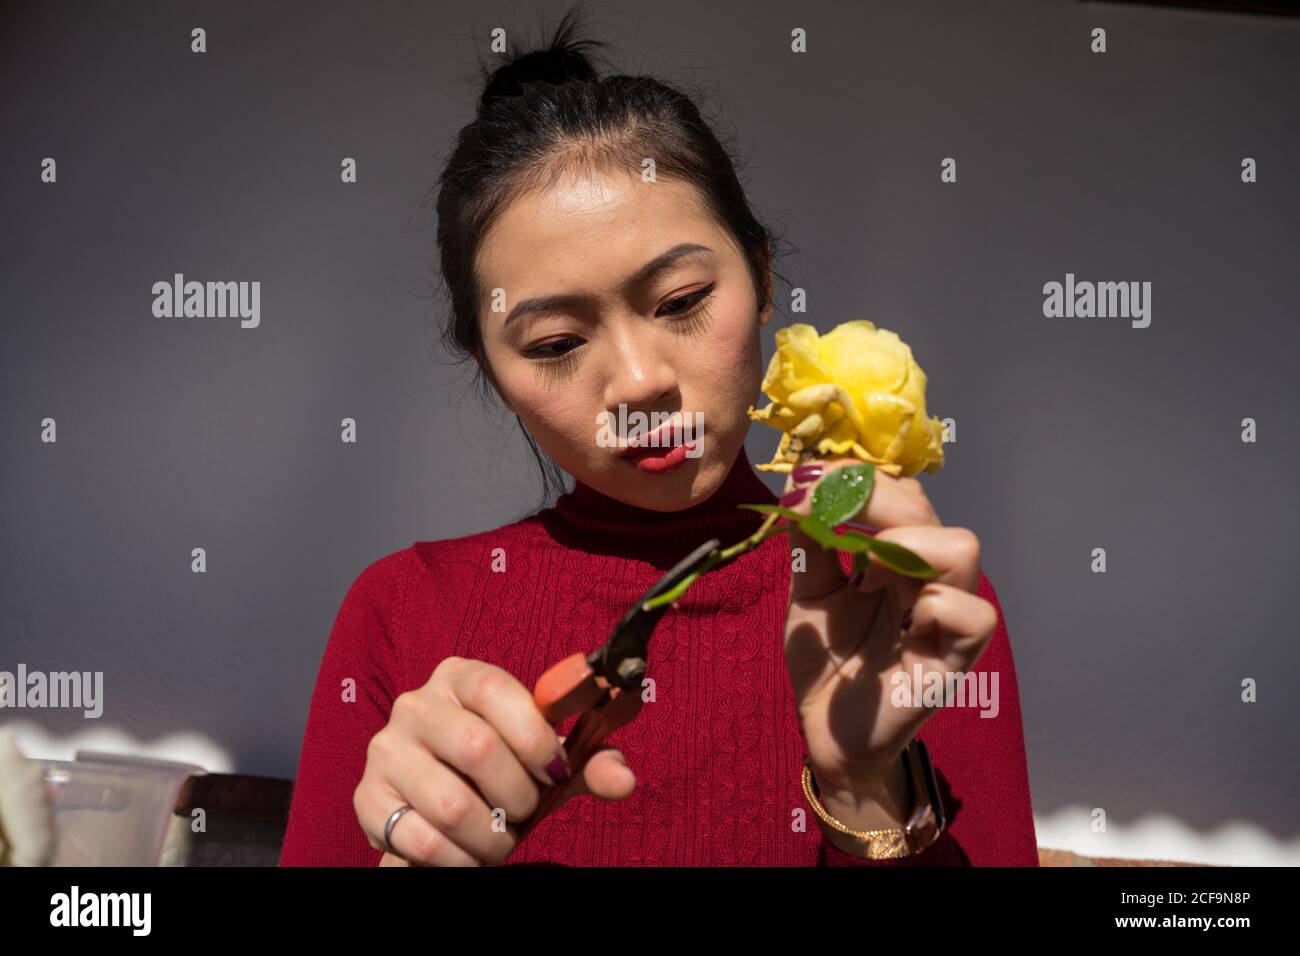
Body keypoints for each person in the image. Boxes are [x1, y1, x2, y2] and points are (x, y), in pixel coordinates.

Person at [278, 6, 1038, 867]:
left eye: (680, 302)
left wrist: (864, 786)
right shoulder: (404, 615)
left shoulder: (905, 601)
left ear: (760, 274)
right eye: (558, 344)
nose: (639, 382)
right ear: (492, 370)